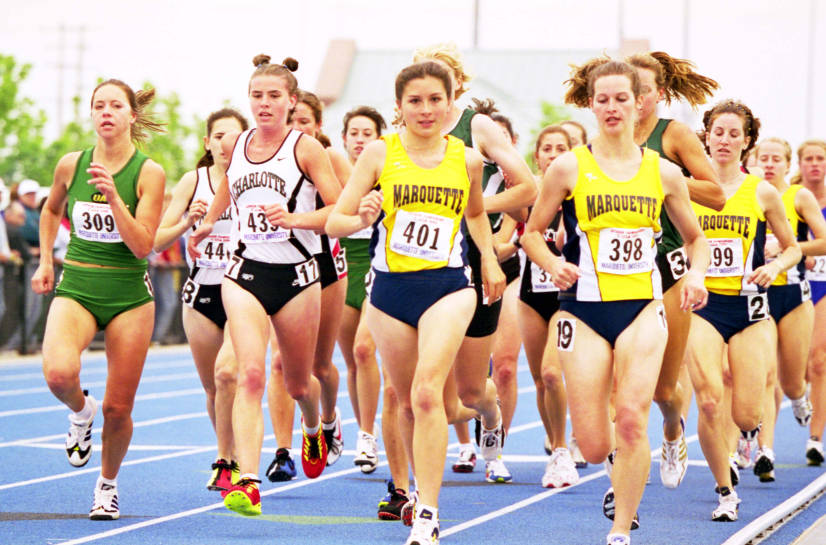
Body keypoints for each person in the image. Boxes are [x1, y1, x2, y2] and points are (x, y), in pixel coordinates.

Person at [524, 59, 709, 545]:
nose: (611, 108)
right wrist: (551, 264)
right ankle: (610, 463)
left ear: (639, 102)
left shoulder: (663, 171)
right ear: (589, 104)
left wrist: (696, 275)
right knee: (591, 444)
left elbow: (697, 238)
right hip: (582, 308)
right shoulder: (569, 167)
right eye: (601, 99)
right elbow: (531, 235)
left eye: (621, 98)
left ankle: (621, 530)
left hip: (643, 308)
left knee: (631, 416)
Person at [326, 60, 505, 545]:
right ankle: (414, 486)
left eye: (434, 100)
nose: (425, 109)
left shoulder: (466, 158)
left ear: (451, 104)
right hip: (389, 293)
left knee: (428, 392)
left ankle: (428, 509)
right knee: (407, 400)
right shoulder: (380, 154)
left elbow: (474, 216)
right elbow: (335, 222)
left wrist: (488, 259)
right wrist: (361, 214)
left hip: (448, 286)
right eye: (415, 101)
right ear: (399, 106)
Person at [188, 54, 342, 517]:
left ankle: (314, 429)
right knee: (250, 374)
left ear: (292, 101)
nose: (264, 104)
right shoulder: (237, 144)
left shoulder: (306, 148)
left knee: (298, 383)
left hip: (297, 275)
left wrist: (296, 218)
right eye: (257, 96)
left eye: (274, 96)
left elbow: (338, 211)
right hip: (244, 271)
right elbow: (227, 190)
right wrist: (207, 222)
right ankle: (247, 481)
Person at [31, 79, 166, 519]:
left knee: (119, 406)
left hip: (128, 294)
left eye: (115, 105)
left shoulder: (149, 173)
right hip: (78, 286)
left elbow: (143, 245)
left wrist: (113, 196)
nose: (106, 112)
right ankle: (80, 410)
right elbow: (51, 210)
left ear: (131, 116)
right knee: (57, 374)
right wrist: (46, 261)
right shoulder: (72, 165)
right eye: (98, 106)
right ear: (92, 115)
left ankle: (107, 485)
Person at [413, 43, 536, 485]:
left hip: (472, 259)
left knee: (467, 390)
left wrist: (473, 207)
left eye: (441, 79)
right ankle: (407, 483)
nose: (430, 93)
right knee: (435, 400)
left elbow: (527, 187)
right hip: (419, 266)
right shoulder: (403, 132)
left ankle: (489, 411)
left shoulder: (476, 126)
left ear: (457, 85)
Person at [686, 100, 801, 521]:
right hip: (702, 305)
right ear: (707, 136)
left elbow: (791, 248)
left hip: (749, 306)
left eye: (735, 133)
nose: (725, 140)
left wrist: (772, 266)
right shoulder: (687, 186)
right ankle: (725, 491)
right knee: (710, 399)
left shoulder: (763, 191)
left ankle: (750, 434)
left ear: (747, 141)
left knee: (747, 411)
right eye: (719, 132)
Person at [625, 51, 724, 489]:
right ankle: (621, 475)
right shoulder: (608, 136)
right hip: (618, 270)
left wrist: (663, 177)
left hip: (668, 263)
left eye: (643, 91)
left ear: (659, 93)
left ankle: (671, 430)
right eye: (629, 91)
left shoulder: (674, 135)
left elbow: (716, 194)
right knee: (619, 384)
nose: (634, 100)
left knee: (664, 390)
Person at [154, 107, 249, 493]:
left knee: (231, 376)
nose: (226, 143)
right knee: (214, 385)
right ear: (207, 142)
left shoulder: (255, 178)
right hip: (202, 289)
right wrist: (185, 223)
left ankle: (232, 459)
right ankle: (227, 455)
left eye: (234, 136)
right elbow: (157, 240)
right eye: (219, 136)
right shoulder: (193, 181)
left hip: (245, 287)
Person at [264, 89, 346, 482]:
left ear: (316, 126)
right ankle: (284, 449)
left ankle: (329, 419)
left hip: (325, 264)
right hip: (281, 264)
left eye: (303, 122)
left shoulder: (327, 158)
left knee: (320, 366)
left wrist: (298, 217)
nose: (295, 128)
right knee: (281, 364)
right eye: (290, 120)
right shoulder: (264, 153)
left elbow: (346, 213)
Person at [749, 137, 826, 481]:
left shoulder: (798, 197)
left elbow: (824, 241)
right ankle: (765, 450)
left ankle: (799, 399)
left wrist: (789, 249)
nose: (768, 164)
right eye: (762, 158)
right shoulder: (746, 192)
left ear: (786, 164)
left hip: (795, 294)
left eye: (775, 159)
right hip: (759, 295)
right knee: (766, 373)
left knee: (793, 380)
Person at [516, 124, 580, 488]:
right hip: (531, 293)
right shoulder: (527, 195)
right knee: (541, 379)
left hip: (567, 295)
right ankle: (557, 447)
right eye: (546, 148)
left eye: (561, 147)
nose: (553, 153)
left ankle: (564, 450)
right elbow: (508, 236)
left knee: (554, 373)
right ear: (537, 156)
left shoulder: (579, 192)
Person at [336, 106, 387, 476]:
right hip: (344, 268)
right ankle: (363, 429)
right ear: (344, 139)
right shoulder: (335, 176)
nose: (359, 139)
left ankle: (368, 434)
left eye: (366, 133)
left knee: (364, 348)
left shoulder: (389, 173)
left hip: (376, 265)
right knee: (353, 361)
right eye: (353, 133)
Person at [797, 139, 826, 465]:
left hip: (824, 286)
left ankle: (815, 437)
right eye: (810, 159)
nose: (815, 164)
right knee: (799, 367)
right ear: (800, 164)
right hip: (795, 284)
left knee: (819, 360)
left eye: (821, 159)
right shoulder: (791, 199)